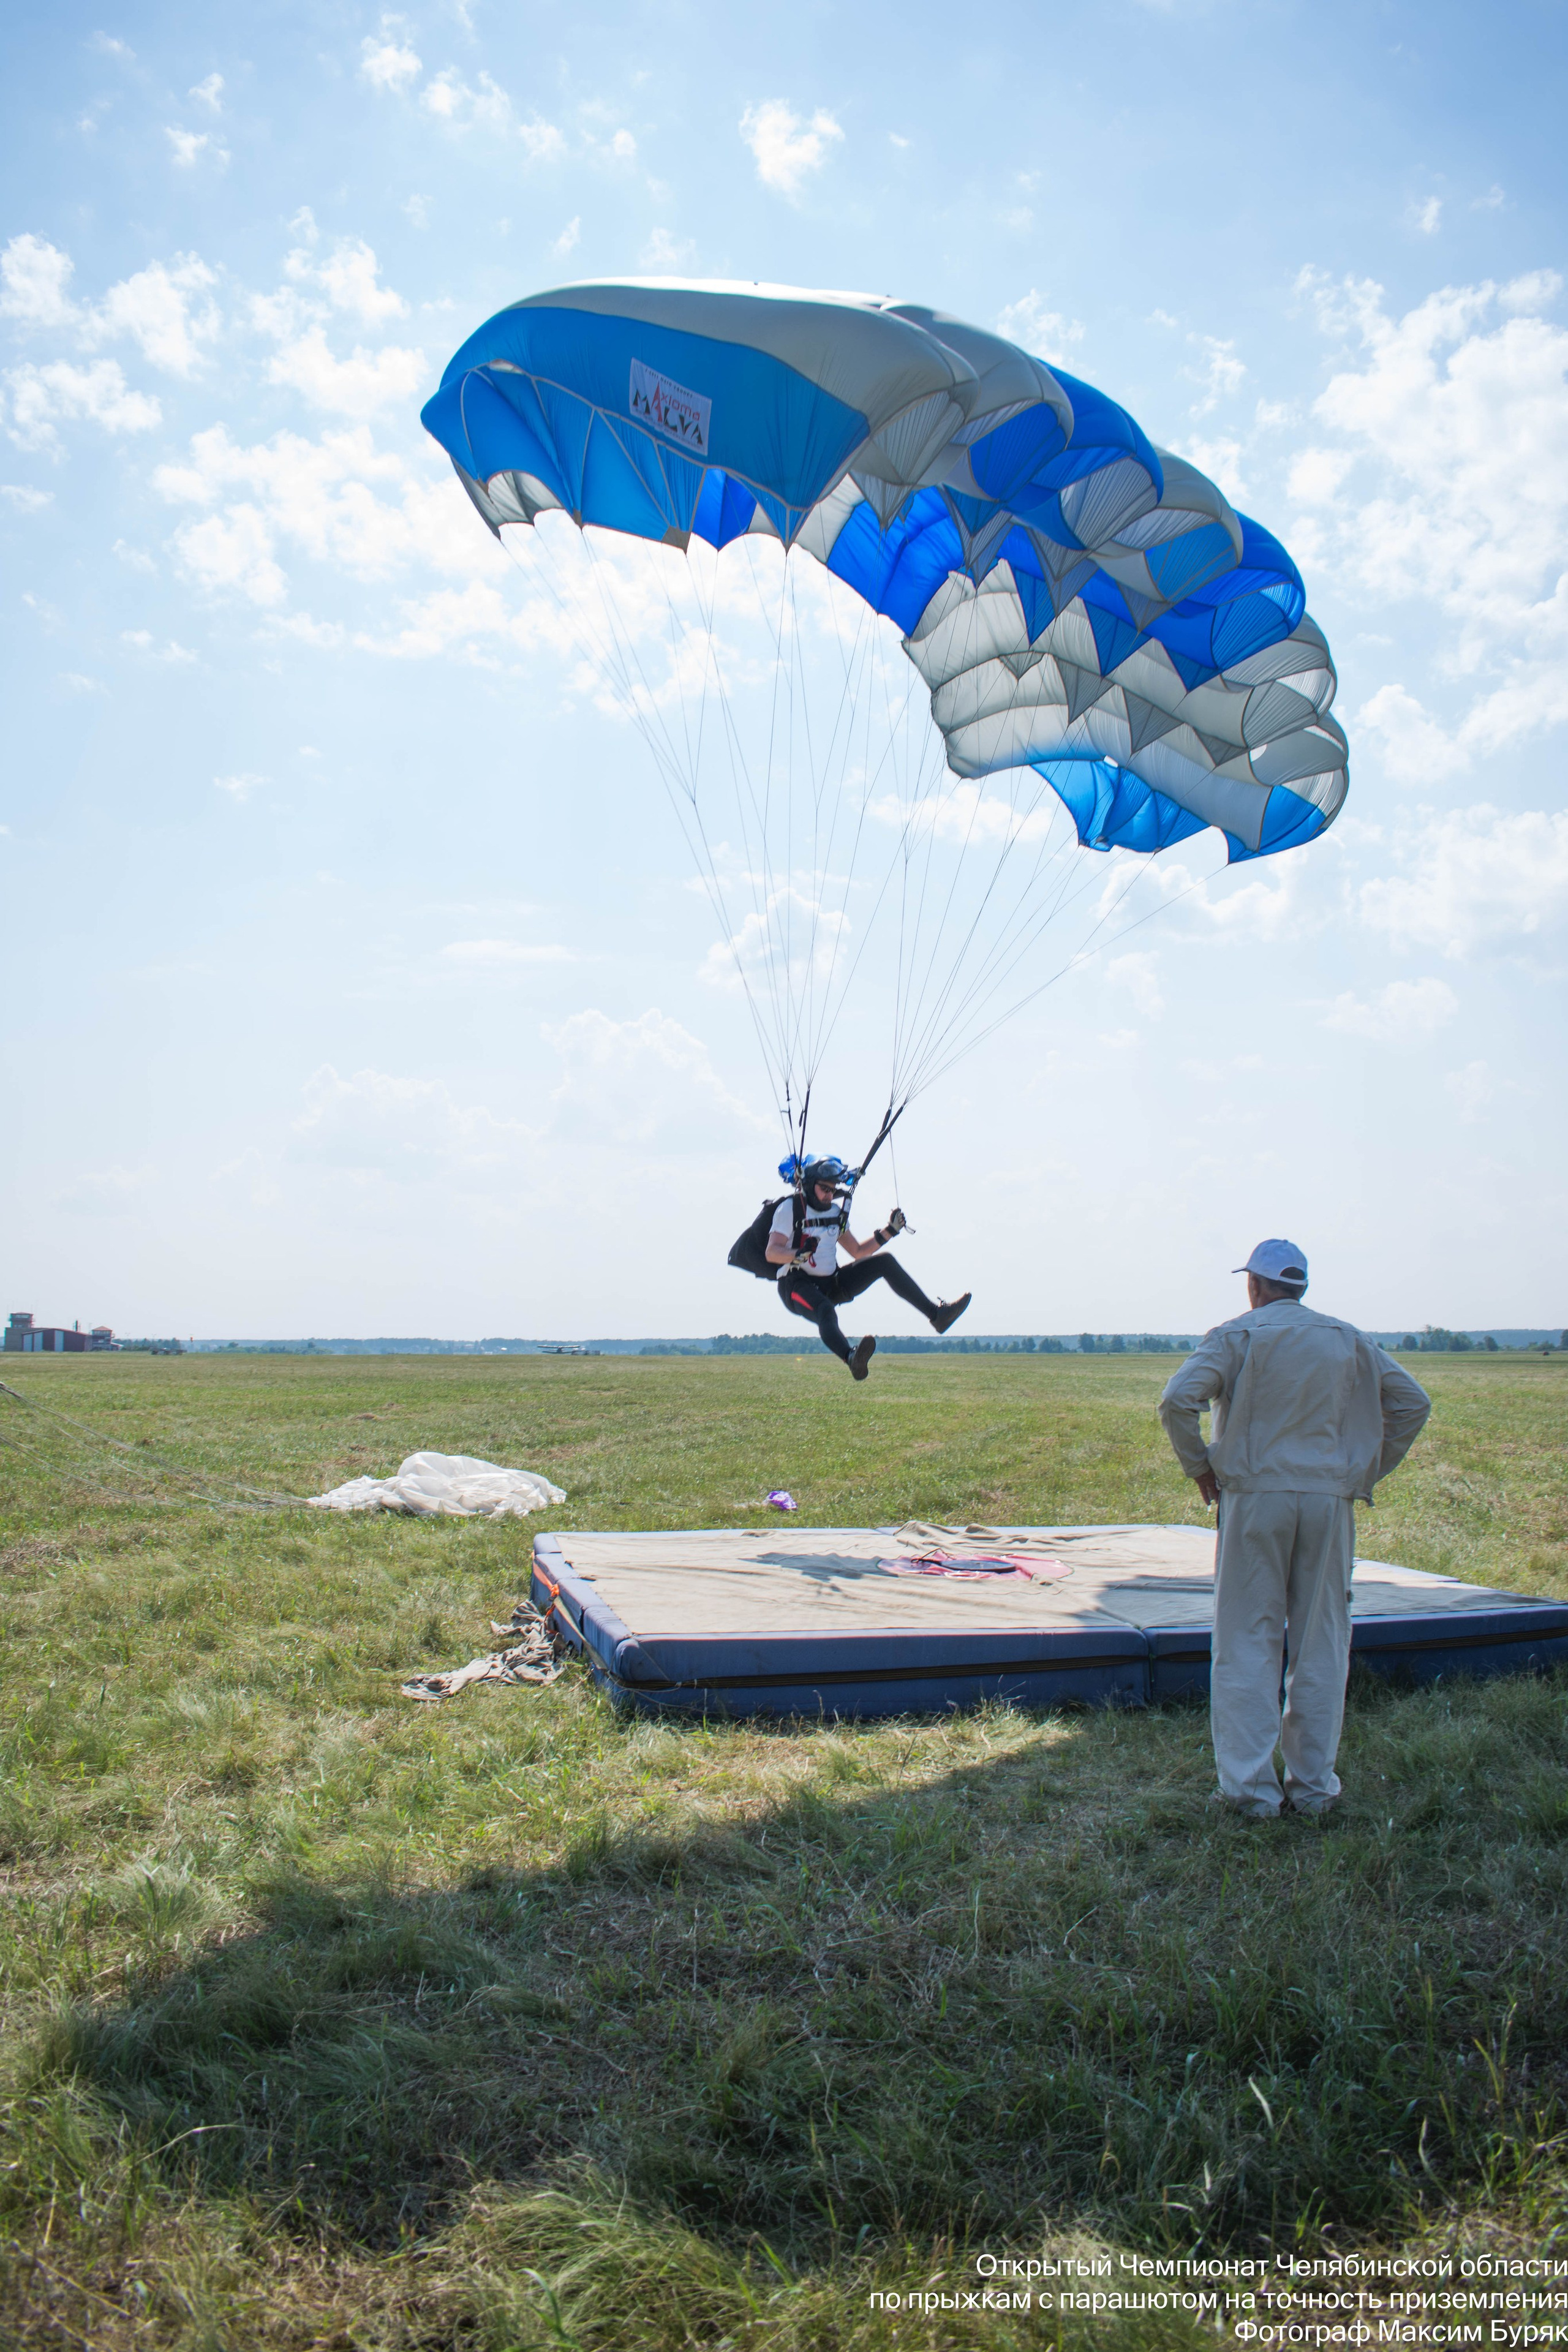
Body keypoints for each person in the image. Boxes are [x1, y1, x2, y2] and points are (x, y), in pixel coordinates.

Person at [1158, 1240, 1431, 1820]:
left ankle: (1250, 1792)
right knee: (1322, 1641)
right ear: (1300, 1285)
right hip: (1329, 1501)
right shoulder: (1347, 1338)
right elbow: (1412, 1403)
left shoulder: (1237, 1334)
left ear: (1254, 1285)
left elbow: (1177, 1399)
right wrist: (1363, 1468)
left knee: (1246, 1640)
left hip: (1255, 1497)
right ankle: (1313, 1788)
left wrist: (1200, 1466)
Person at [767, 1156, 971, 1379]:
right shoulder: (790, 1209)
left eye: (832, 1189)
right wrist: (797, 1254)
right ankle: (851, 1357)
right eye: (824, 1188)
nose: (829, 1194)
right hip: (796, 1284)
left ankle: (937, 1316)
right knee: (825, 1310)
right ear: (809, 1184)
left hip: (831, 1283)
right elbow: (772, 1252)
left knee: (885, 1262)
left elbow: (857, 1251)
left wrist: (890, 1231)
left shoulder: (834, 1213)